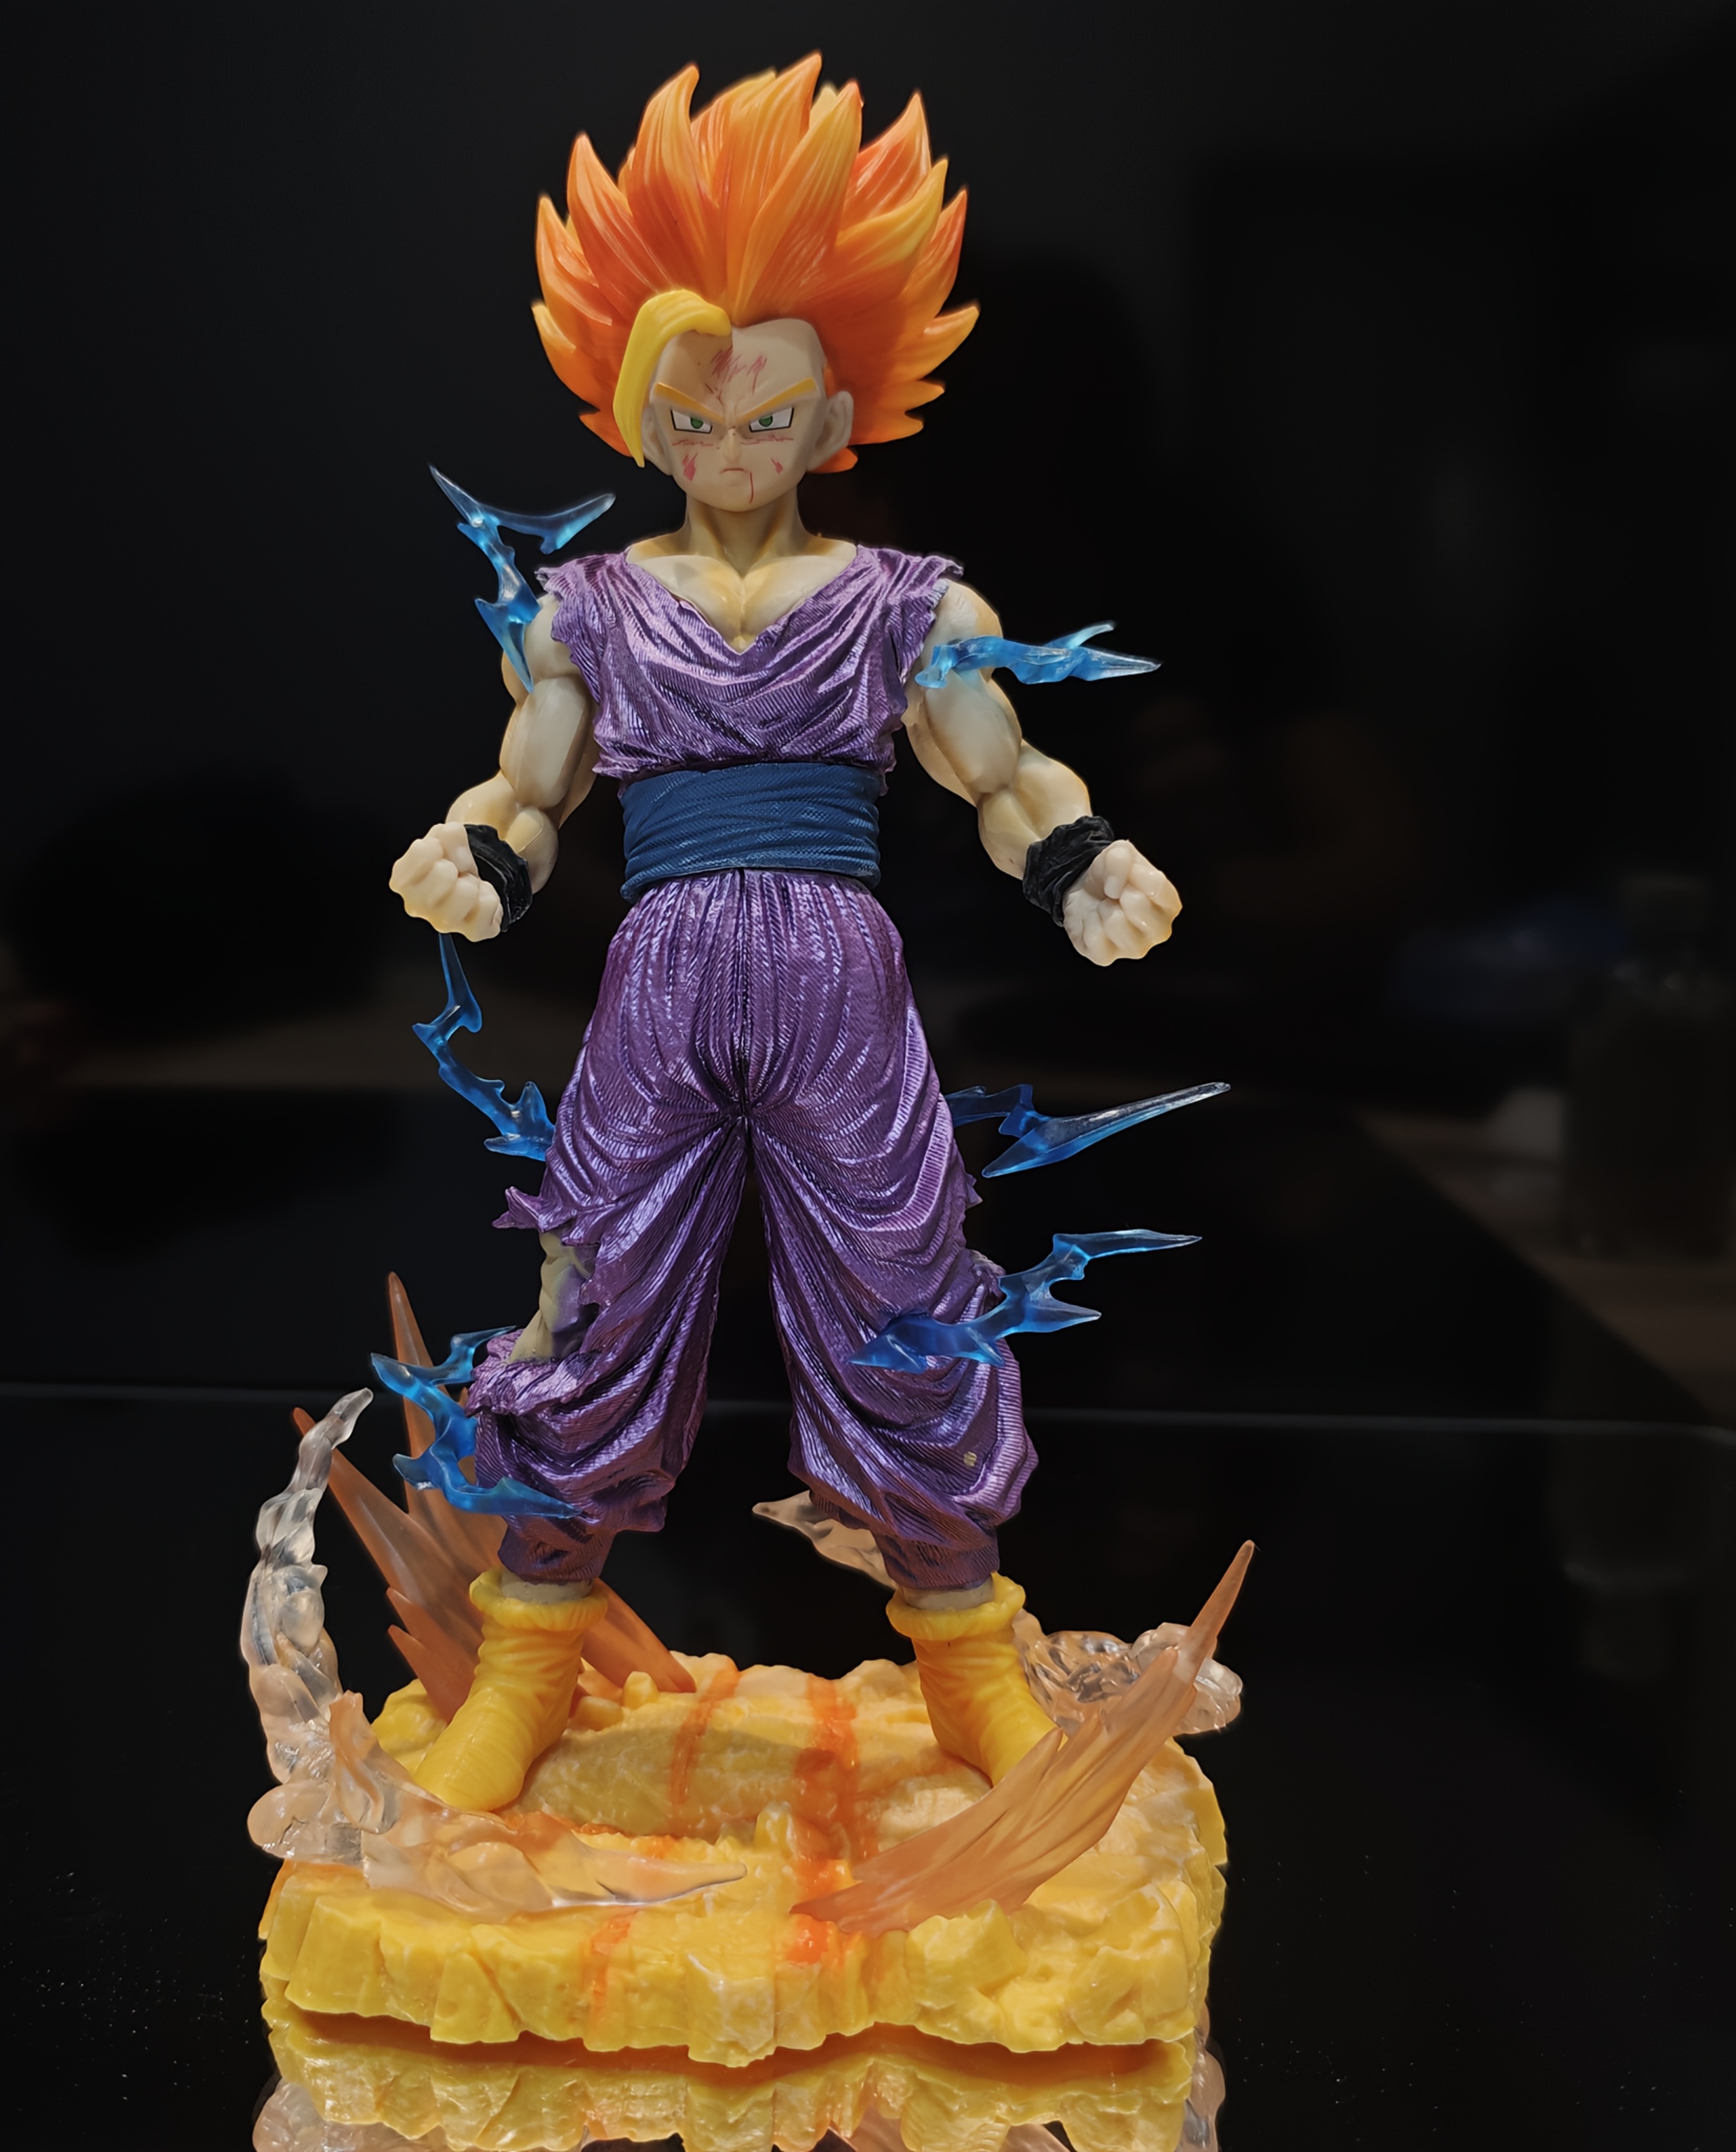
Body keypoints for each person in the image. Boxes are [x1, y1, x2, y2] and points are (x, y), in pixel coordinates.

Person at [387, 60, 1181, 1812]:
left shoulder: (908, 604)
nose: (730, 452)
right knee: (592, 1294)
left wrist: (1083, 862)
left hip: (840, 981)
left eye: (768, 417)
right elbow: (532, 787)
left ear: (837, 420)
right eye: (693, 416)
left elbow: (1004, 770)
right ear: (639, 413)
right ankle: (524, 1668)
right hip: (658, 982)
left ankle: (971, 1665)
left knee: (906, 1292)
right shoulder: (592, 608)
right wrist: (480, 858)